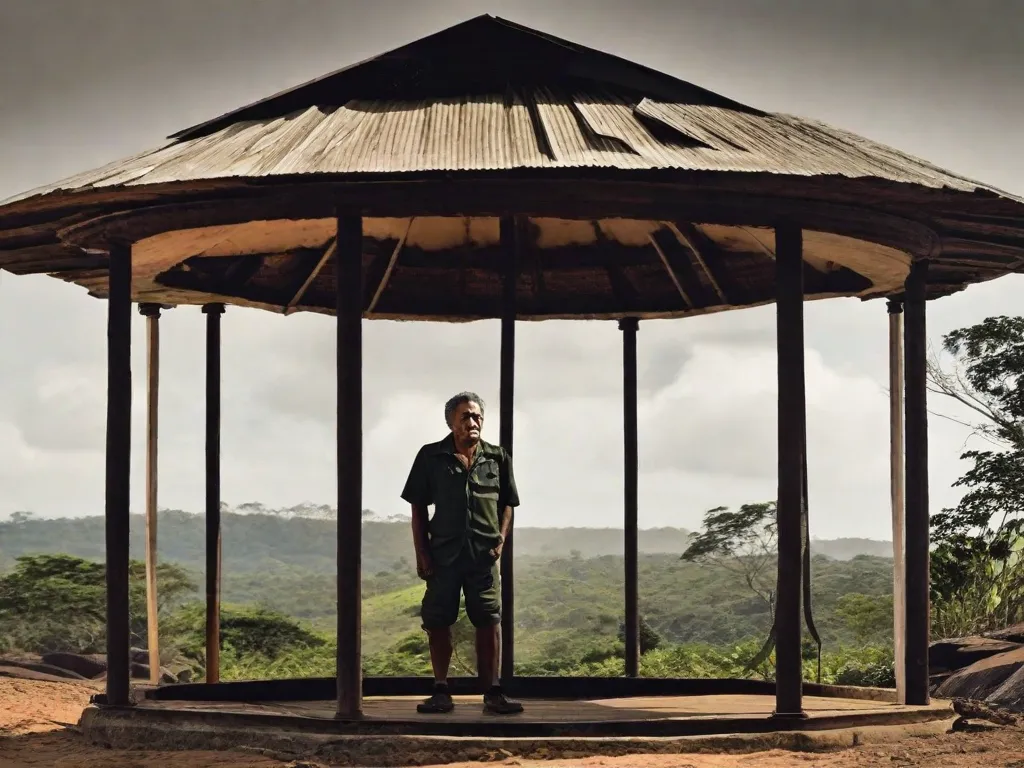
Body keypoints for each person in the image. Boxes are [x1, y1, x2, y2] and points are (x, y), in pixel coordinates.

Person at [400, 391, 523, 715]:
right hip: (444, 555)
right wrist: (422, 553)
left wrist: (501, 539)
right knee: (439, 621)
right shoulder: (430, 457)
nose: (473, 422)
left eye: (477, 416)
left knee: (489, 619)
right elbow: (417, 509)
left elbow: (508, 503)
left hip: (483, 557)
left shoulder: (497, 458)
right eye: (466, 417)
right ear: (451, 422)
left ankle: (493, 691)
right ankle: (441, 689)